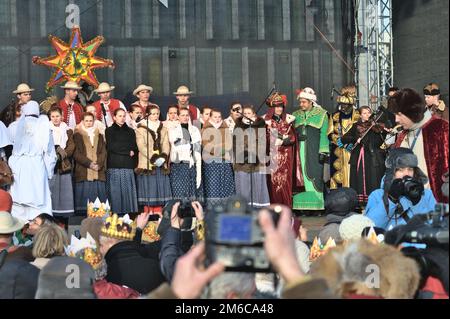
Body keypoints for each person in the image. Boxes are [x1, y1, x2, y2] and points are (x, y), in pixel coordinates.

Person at [388, 88, 449, 202]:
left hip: (433, 207)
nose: (396, 119)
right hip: (405, 207)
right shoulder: (403, 134)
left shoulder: (441, 129)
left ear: (412, 112)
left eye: (399, 114)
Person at [365, 148, 436, 230]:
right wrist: (390, 200)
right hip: (390, 242)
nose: (406, 174)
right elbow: (370, 227)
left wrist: (418, 202)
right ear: (392, 173)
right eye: (400, 170)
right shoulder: (377, 195)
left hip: (419, 241)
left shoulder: (426, 194)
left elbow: (434, 227)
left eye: (410, 169)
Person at [9, 101, 56, 220]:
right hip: (36, 166)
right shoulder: (43, 126)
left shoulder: (14, 126)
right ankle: (39, 231)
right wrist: (49, 173)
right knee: (39, 202)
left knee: (18, 203)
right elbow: (50, 154)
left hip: (17, 166)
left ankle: (18, 234)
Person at [99, 213, 166, 294]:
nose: (100, 250)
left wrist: (138, 229)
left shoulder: (106, 275)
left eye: (101, 245)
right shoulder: (157, 265)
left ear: (110, 242)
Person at [341, 106, 387, 207]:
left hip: (371, 156)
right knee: (359, 177)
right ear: (360, 115)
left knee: (373, 177)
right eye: (365, 113)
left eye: (369, 113)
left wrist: (382, 131)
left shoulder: (375, 126)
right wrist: (355, 139)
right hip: (359, 156)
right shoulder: (355, 126)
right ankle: (360, 201)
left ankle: (374, 199)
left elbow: (379, 141)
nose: (367, 115)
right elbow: (344, 138)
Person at [292, 88, 329, 211]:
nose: (301, 104)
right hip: (298, 152)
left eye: (304, 102)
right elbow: (290, 132)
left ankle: (316, 206)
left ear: (311, 102)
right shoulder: (295, 115)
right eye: (300, 102)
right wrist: (296, 136)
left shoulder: (322, 114)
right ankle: (301, 207)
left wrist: (323, 151)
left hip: (314, 151)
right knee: (299, 177)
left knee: (315, 176)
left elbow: (324, 134)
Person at [135, 105, 172, 210]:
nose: (156, 116)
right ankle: (149, 212)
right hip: (147, 163)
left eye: (157, 113)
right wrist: (154, 158)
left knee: (160, 188)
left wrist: (163, 157)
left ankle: (159, 212)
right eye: (153, 114)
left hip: (161, 163)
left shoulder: (163, 128)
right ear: (147, 115)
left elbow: (166, 144)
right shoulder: (141, 128)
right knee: (149, 189)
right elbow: (141, 146)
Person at [233, 105, 270, 208]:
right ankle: (244, 206)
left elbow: (262, 143)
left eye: (249, 113)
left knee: (257, 184)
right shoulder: (238, 125)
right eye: (245, 113)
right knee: (243, 184)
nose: (246, 115)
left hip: (257, 160)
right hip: (242, 161)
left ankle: (258, 207)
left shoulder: (260, 125)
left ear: (254, 114)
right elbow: (235, 142)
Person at [264, 92, 297, 208]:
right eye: (276, 106)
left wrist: (286, 140)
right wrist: (275, 138)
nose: (279, 109)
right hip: (272, 157)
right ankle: (274, 209)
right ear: (272, 108)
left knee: (286, 183)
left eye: (281, 106)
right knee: (273, 184)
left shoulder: (288, 120)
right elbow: (265, 139)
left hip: (286, 157)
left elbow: (293, 137)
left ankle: (287, 208)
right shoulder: (266, 121)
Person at [73, 112, 108, 216]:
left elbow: (103, 151)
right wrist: (89, 164)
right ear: (83, 122)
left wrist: (98, 164)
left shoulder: (100, 135)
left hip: (98, 171)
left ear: (94, 121)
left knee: (99, 204)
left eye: (91, 121)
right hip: (84, 171)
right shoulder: (77, 135)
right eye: (86, 121)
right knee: (85, 203)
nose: (89, 123)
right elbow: (76, 153)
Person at [105, 109, 139, 214]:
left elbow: (134, 147)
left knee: (127, 192)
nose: (122, 118)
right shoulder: (109, 130)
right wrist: (128, 151)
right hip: (115, 165)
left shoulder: (130, 131)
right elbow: (112, 147)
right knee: (115, 193)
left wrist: (130, 151)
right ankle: (116, 215)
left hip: (127, 165)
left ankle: (129, 216)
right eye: (119, 116)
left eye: (124, 116)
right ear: (114, 117)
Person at [202, 109, 235, 208]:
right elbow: (206, 145)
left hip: (224, 162)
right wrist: (219, 148)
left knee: (225, 186)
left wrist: (218, 148)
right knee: (213, 186)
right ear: (210, 117)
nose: (217, 119)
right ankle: (213, 210)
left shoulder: (225, 128)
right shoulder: (205, 129)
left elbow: (229, 144)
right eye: (215, 117)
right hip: (211, 163)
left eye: (219, 117)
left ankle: (227, 209)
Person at [328, 85, 360, 189]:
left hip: (354, 150)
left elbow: (361, 133)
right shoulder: (334, 116)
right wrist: (338, 140)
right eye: (341, 104)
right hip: (338, 150)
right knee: (337, 176)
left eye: (345, 104)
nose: (343, 106)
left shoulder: (358, 116)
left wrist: (351, 143)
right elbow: (330, 133)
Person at [168, 108, 203, 202]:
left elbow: (197, 146)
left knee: (193, 192)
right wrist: (189, 145)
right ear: (178, 117)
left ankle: (193, 215)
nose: (185, 117)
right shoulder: (173, 130)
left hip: (192, 164)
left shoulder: (195, 130)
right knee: (180, 193)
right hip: (179, 165)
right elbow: (176, 145)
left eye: (187, 115)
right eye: (182, 115)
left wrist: (185, 143)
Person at [48, 106, 75, 217]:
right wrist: (54, 153)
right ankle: (51, 213)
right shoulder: (46, 129)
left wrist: (62, 154)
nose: (55, 119)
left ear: (62, 116)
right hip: (51, 163)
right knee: (52, 188)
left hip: (64, 162)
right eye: (53, 116)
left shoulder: (67, 130)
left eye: (57, 116)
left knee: (64, 189)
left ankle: (64, 215)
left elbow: (71, 146)